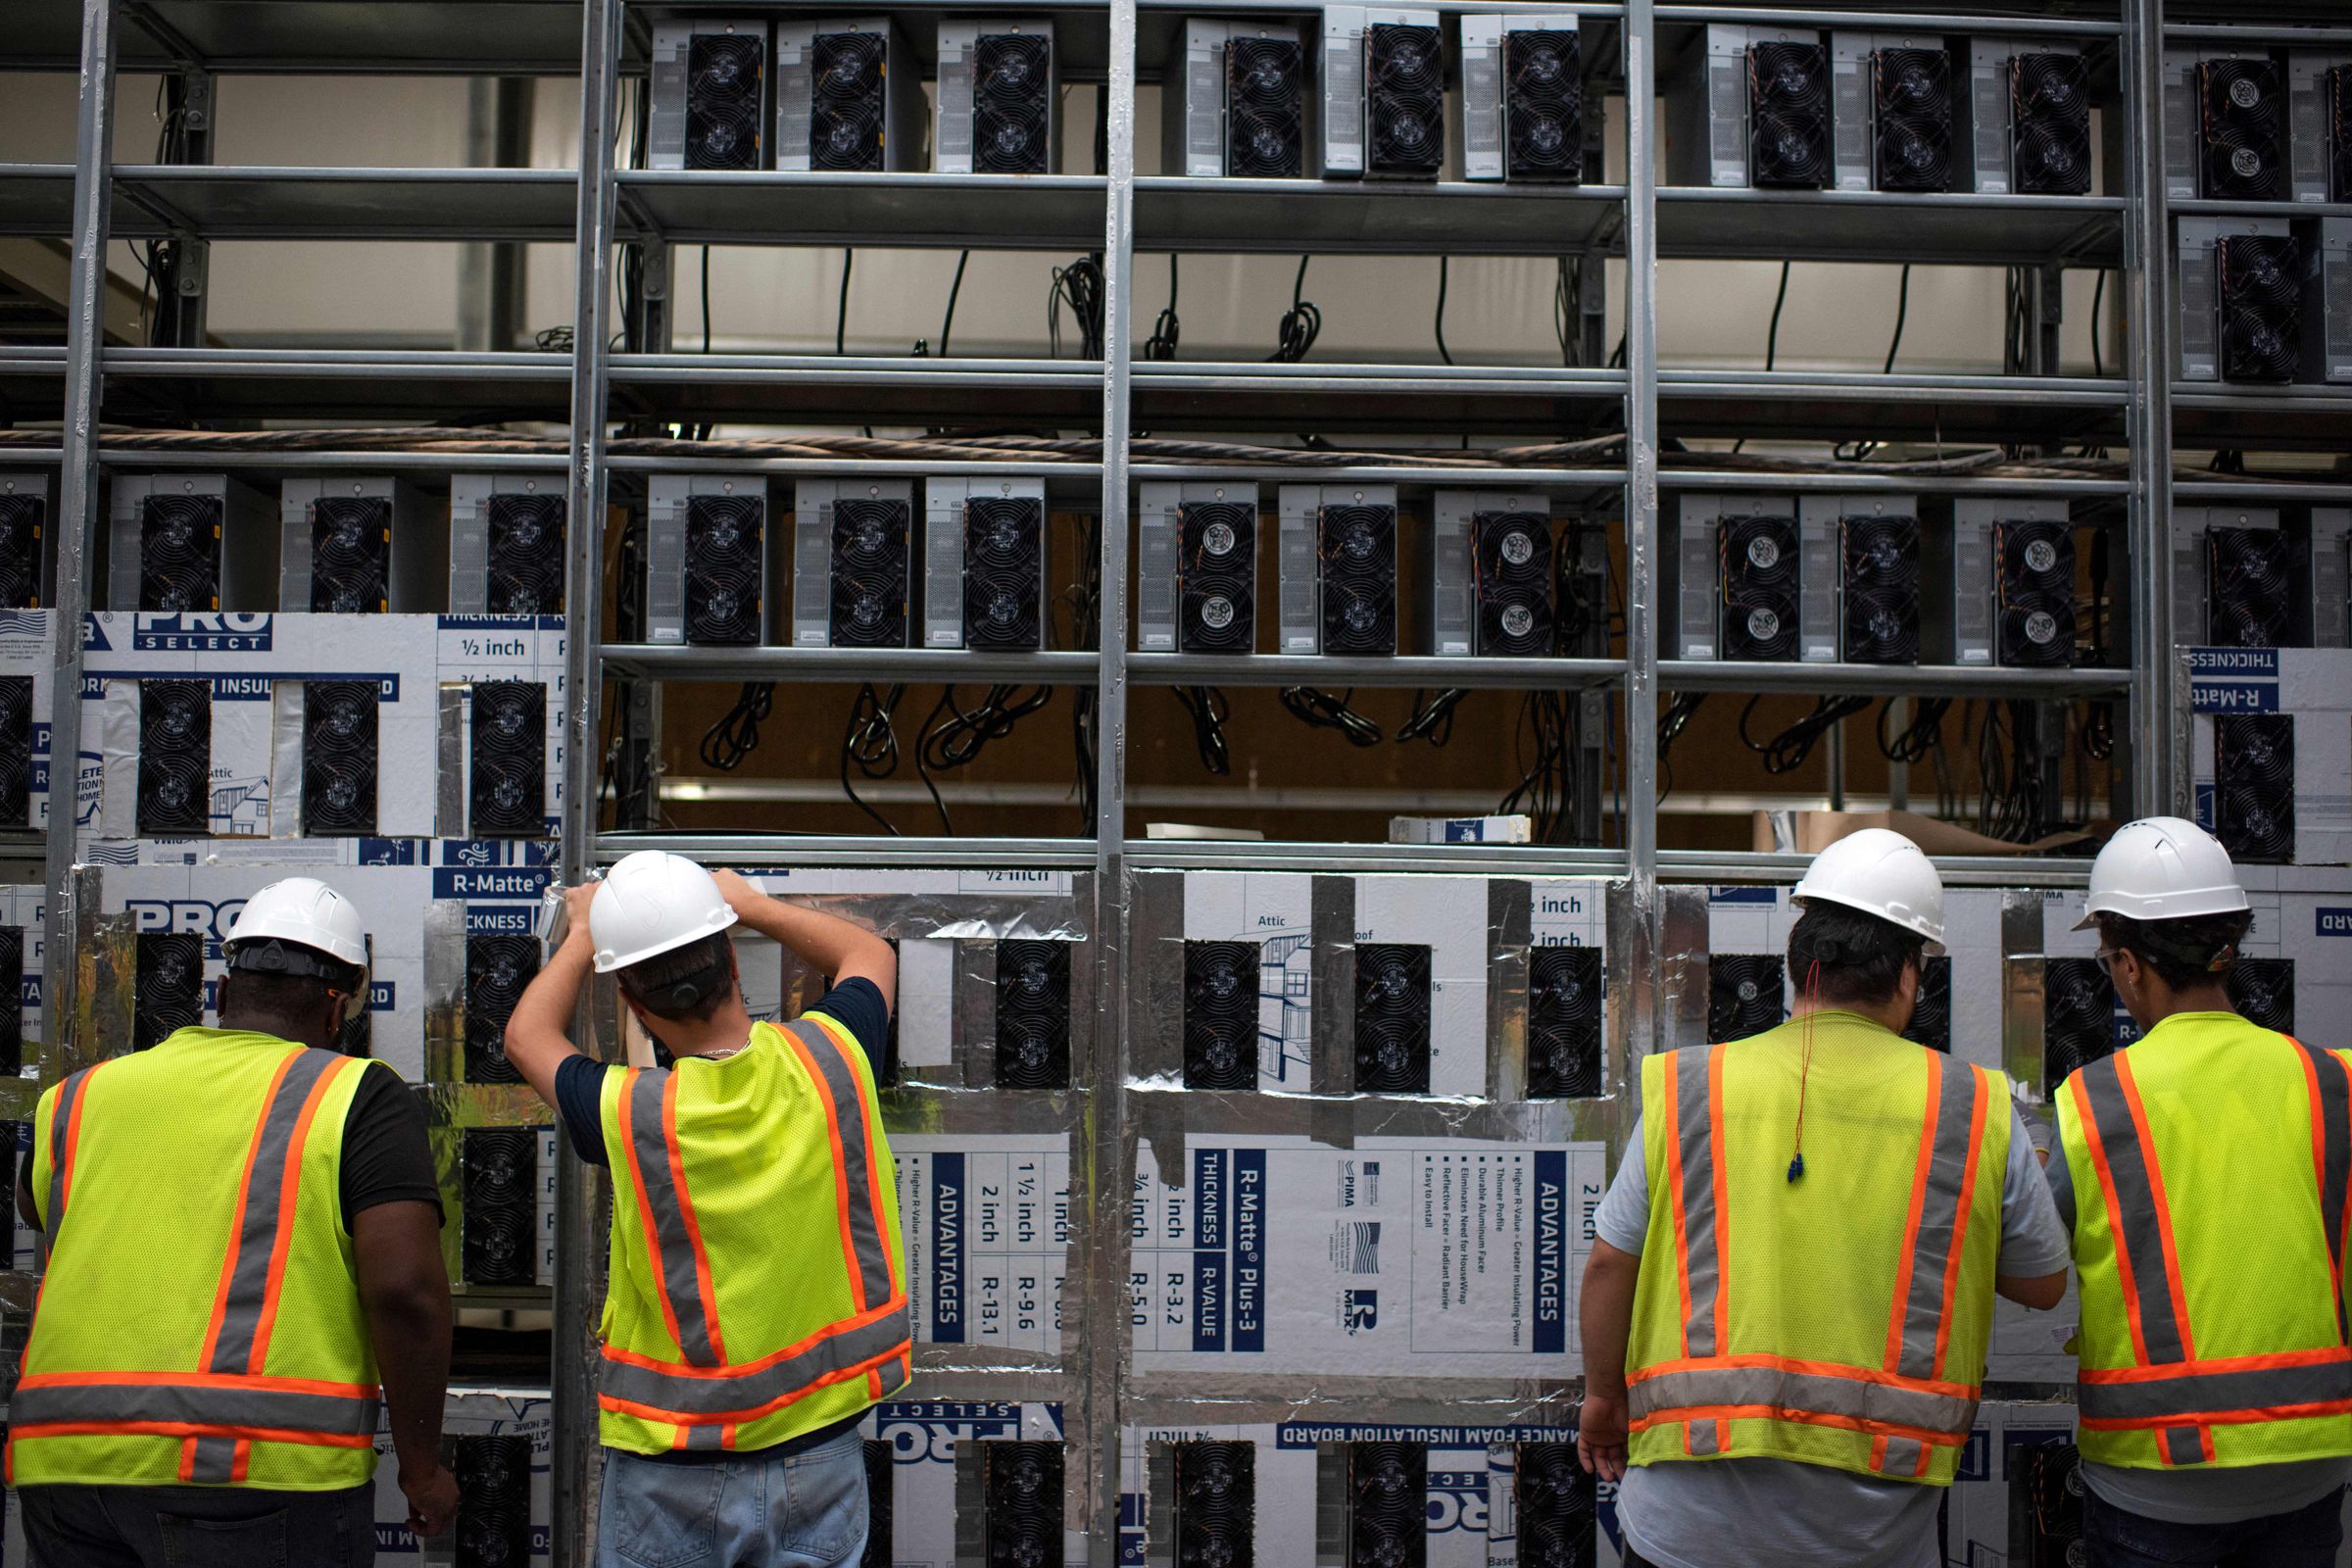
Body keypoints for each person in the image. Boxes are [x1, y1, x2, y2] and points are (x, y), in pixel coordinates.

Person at [1576, 828, 2073, 1568]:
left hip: (1685, 1530)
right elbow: (2042, 1282)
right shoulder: (1972, 1107)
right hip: (1867, 1541)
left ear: (1797, 966)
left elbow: (1611, 1265)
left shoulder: (1690, 1088)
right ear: (1908, 976)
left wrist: (1603, 1400)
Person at [7, 876, 458, 1567]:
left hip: (64, 1463)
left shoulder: (80, 1097)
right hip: (255, 1473)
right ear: (336, 1011)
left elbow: (34, 1207)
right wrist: (422, 1466)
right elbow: (406, 1291)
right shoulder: (355, 1096)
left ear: (222, 993)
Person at [502, 851, 907, 1568]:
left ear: (632, 1000)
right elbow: (866, 951)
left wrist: (586, 934)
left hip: (672, 1466)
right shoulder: (832, 1056)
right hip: (819, 1458)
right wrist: (747, 903)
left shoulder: (628, 1113)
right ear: (733, 961)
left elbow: (526, 1035)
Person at [2046, 815, 2351, 1568]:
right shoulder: (2334, 1082)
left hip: (2155, 1474)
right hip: (2310, 1458)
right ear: (2227, 949)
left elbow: (2035, 1265)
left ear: (2126, 966)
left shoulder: (2095, 1099)